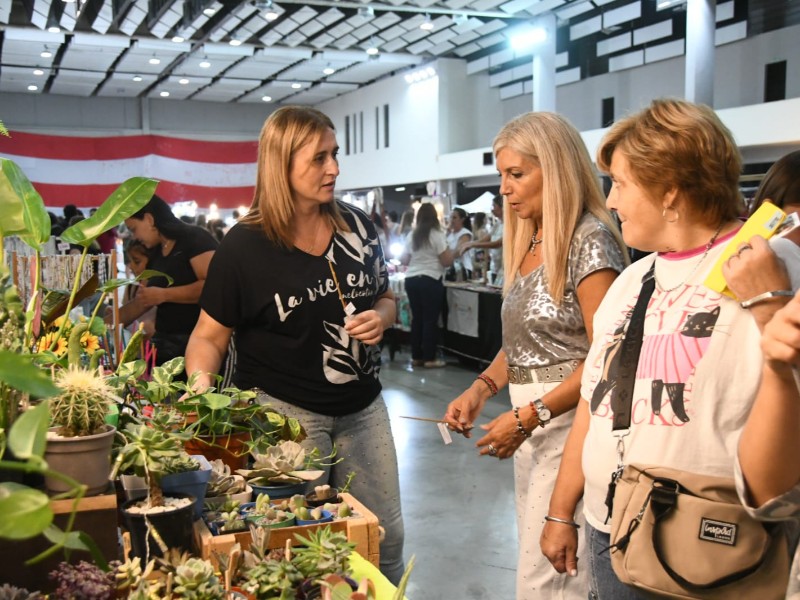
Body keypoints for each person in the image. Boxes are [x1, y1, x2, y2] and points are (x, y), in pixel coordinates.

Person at [540, 98, 800, 599]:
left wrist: (771, 300)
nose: (610, 202)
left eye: (620, 183)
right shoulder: (633, 279)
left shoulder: (773, 262)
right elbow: (596, 405)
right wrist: (560, 509)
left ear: (671, 192)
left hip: (710, 547)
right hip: (608, 528)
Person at [184, 106, 405, 584]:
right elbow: (207, 335)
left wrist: (381, 318)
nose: (335, 169)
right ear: (281, 164)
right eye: (319, 158)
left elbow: (387, 297)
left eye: (335, 154)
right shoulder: (245, 247)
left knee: (384, 537)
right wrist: (202, 387)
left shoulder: (359, 227)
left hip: (364, 409)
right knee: (295, 547)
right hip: (285, 417)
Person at [443, 112, 628, 600]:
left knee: (550, 575)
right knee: (542, 566)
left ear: (557, 169)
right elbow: (524, 341)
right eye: (502, 174)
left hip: (571, 427)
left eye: (517, 174)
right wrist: (482, 388)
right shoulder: (530, 239)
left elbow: (606, 357)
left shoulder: (589, 241)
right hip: (534, 427)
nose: (503, 188)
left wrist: (532, 414)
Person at [123, 194, 218, 368]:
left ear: (149, 219)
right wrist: (101, 325)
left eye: (133, 228)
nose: (134, 237)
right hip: (167, 344)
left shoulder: (194, 238)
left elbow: (214, 286)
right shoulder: (156, 252)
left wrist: (164, 295)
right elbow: (143, 301)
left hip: (200, 344)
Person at [401, 202, 454, 369]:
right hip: (430, 279)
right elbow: (446, 261)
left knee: (417, 319)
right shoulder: (437, 234)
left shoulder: (412, 235)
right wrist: (454, 254)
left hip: (411, 279)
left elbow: (404, 260)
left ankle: (416, 357)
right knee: (430, 320)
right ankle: (429, 358)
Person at [458, 195, 504, 284]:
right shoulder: (497, 224)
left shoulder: (509, 224)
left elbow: (498, 243)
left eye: (494, 206)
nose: (492, 209)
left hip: (504, 268)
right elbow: (486, 239)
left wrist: (472, 244)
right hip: (495, 267)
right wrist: (470, 244)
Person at [446, 206, 473, 280]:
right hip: (450, 268)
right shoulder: (449, 234)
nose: (451, 220)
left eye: (454, 218)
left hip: (462, 269)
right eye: (450, 217)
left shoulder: (465, 234)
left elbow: (458, 251)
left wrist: (446, 256)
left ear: (462, 219)